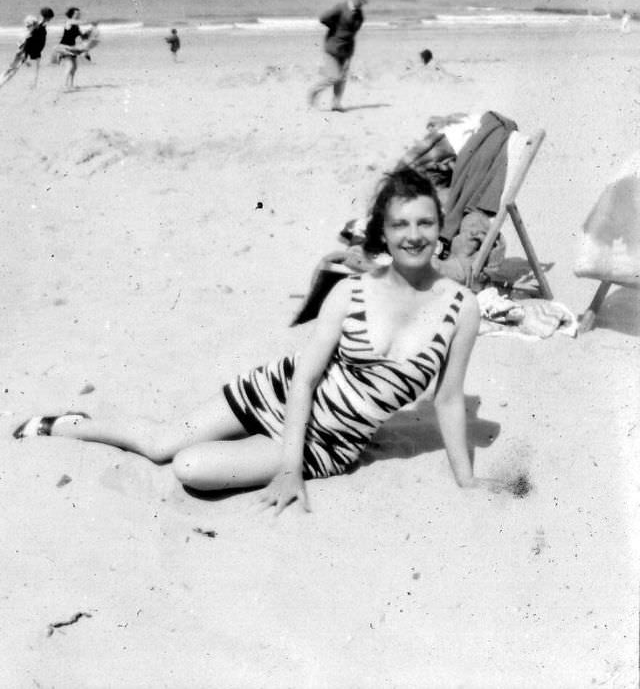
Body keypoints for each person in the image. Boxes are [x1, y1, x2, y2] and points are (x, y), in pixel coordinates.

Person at [13, 169, 500, 513]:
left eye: (424, 223)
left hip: (328, 443)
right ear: (383, 234)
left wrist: (467, 480)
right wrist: (287, 470)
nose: (413, 235)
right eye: (400, 224)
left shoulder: (462, 307)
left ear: (439, 228)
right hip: (277, 391)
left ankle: (260, 451)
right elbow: (305, 380)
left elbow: (450, 397)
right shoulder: (351, 292)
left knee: (190, 467)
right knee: (160, 443)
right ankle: (73, 424)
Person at [308, 0, 367, 112]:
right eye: (361, 1)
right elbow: (323, 18)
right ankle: (314, 91)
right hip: (333, 47)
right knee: (334, 77)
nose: (362, 4)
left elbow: (354, 29)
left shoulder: (360, 14)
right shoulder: (340, 8)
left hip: (347, 49)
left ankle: (336, 104)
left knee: (342, 78)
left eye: (363, 3)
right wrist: (334, 28)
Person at [0, 6, 55, 89]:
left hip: (30, 51)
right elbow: (27, 38)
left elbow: (29, 38)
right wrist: (25, 55)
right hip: (26, 51)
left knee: (13, 70)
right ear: (47, 17)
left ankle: (32, 86)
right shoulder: (37, 26)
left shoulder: (39, 25)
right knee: (12, 70)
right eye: (49, 18)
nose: (49, 20)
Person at [52, 7, 98, 89]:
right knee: (69, 66)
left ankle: (71, 85)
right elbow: (80, 22)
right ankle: (64, 85)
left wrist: (90, 30)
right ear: (72, 14)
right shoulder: (69, 22)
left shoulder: (76, 27)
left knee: (74, 67)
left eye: (79, 14)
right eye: (77, 14)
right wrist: (91, 22)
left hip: (72, 47)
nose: (78, 15)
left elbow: (83, 36)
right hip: (64, 47)